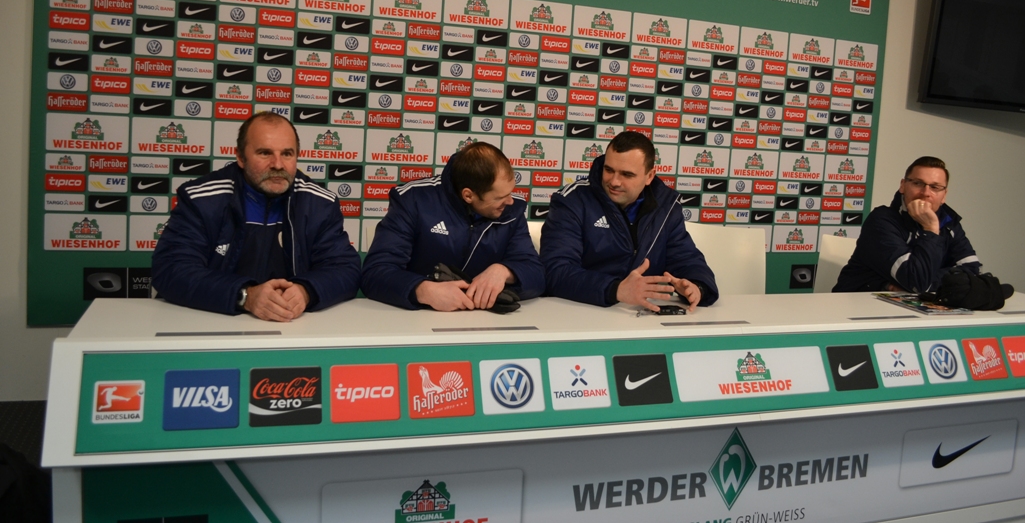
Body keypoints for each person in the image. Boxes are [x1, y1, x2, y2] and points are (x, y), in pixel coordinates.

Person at [151, 112, 361, 321]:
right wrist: (246, 296)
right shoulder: (201, 199)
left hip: (292, 326)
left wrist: (306, 291)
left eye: (287, 154)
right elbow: (171, 269)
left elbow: (345, 269)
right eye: (265, 153)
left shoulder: (319, 203)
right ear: (240, 157)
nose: (277, 164)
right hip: (211, 323)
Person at [541, 131, 718, 312]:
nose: (614, 181)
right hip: (580, 312)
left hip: (640, 318)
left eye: (626, 174)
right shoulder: (572, 201)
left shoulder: (666, 207)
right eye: (609, 170)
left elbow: (686, 259)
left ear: (649, 176)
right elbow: (555, 271)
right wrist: (615, 290)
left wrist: (697, 286)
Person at [361, 141, 544, 311]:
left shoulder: (512, 210)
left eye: (511, 191)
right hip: (420, 318)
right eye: (500, 197)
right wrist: (423, 290)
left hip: (487, 322)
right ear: (468, 195)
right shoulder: (413, 200)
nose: (510, 201)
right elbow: (376, 273)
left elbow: (536, 274)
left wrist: (505, 271)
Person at [833, 156, 980, 293]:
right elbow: (916, 281)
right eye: (918, 183)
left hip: (915, 305)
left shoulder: (949, 222)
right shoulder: (882, 220)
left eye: (935, 187)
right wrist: (930, 229)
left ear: (944, 195)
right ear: (903, 186)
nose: (926, 193)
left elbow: (972, 270)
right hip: (859, 304)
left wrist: (928, 284)